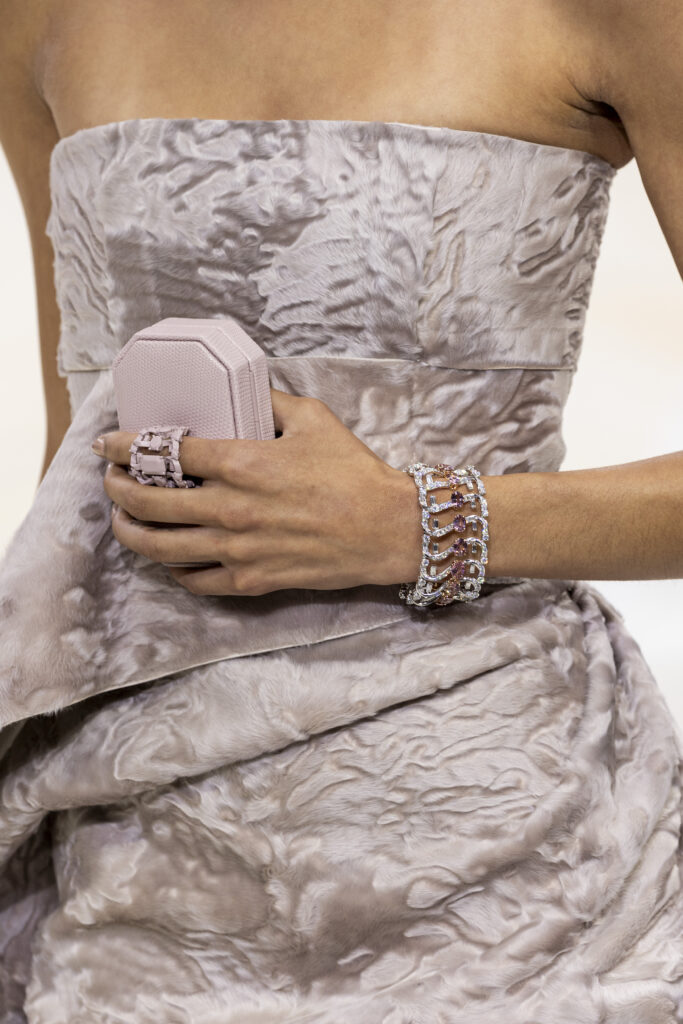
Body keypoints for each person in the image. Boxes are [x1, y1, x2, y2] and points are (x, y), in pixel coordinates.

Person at [0, 2, 681, 1020]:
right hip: (134, 876)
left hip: (515, 885)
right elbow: (76, 479)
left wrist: (416, 522)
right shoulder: (40, 17)